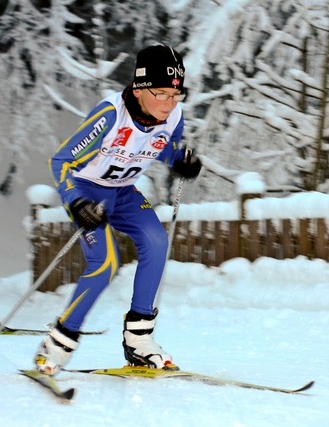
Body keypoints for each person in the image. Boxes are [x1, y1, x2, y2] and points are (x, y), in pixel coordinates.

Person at [35, 44, 202, 375]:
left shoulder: (174, 116)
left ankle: (139, 341)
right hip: (86, 190)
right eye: (161, 93)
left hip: (122, 191)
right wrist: (76, 201)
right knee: (106, 263)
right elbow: (61, 161)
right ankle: (55, 346)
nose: (169, 103)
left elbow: (163, 147)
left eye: (176, 94)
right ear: (139, 89)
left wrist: (180, 161)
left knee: (156, 241)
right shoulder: (111, 115)